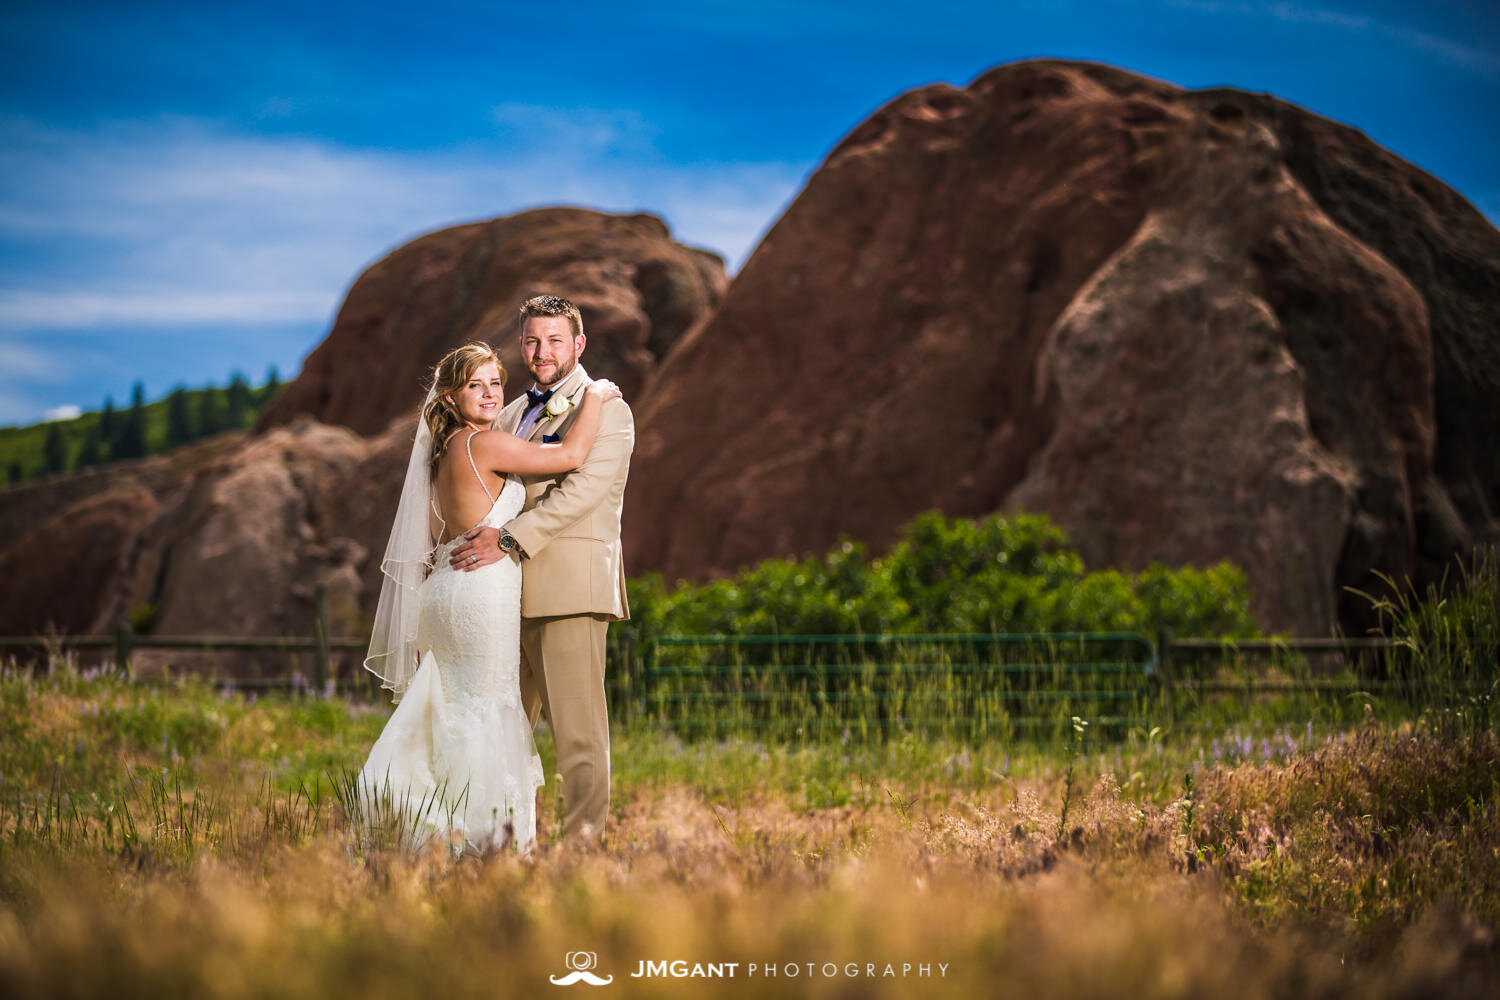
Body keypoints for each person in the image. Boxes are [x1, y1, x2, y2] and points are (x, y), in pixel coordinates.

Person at [357, 341, 620, 854]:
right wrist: (598, 395)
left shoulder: (445, 451)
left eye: (495, 383)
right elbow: (570, 456)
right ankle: (478, 843)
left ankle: (430, 827)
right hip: (479, 593)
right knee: (488, 710)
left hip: (446, 589)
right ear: (450, 398)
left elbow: (435, 538)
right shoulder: (484, 444)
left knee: (454, 707)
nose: (489, 393)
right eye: (474, 385)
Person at [447, 295, 634, 842]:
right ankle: (502, 848)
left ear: (579, 345)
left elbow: (581, 493)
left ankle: (582, 855)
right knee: (505, 734)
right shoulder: (508, 413)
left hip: (570, 589)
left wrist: (507, 538)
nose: (541, 351)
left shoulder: (609, 410)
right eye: (531, 340)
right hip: (504, 596)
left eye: (555, 340)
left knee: (578, 737)